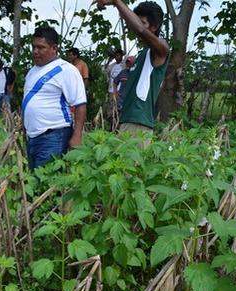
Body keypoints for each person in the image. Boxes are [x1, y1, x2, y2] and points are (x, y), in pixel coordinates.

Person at [96, 0, 169, 135]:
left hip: (139, 123)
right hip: (128, 120)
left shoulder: (161, 50)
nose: (136, 26)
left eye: (143, 22)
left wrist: (116, 2)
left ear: (154, 26)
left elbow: (140, 30)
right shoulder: (142, 54)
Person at [22, 26, 87, 170]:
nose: (35, 52)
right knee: (36, 181)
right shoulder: (32, 71)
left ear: (54, 48)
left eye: (41, 47)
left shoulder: (66, 70)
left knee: (47, 184)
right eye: (33, 47)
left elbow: (80, 104)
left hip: (54, 136)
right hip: (33, 137)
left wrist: (77, 135)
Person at [104, 48, 124, 124]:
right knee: (111, 107)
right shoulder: (112, 65)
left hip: (120, 90)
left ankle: (118, 122)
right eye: (115, 56)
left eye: (118, 55)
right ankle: (111, 123)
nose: (117, 57)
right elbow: (105, 70)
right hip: (111, 90)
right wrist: (109, 60)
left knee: (118, 107)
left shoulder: (124, 64)